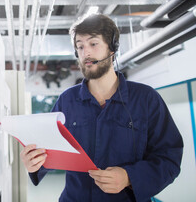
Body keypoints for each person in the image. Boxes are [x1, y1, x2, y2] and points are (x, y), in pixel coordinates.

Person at [20, 14, 183, 202]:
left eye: (93, 44)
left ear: (112, 49)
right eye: (80, 46)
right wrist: (34, 163)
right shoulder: (67, 100)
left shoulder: (146, 99)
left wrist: (129, 177)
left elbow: (169, 158)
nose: (86, 53)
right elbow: (48, 151)